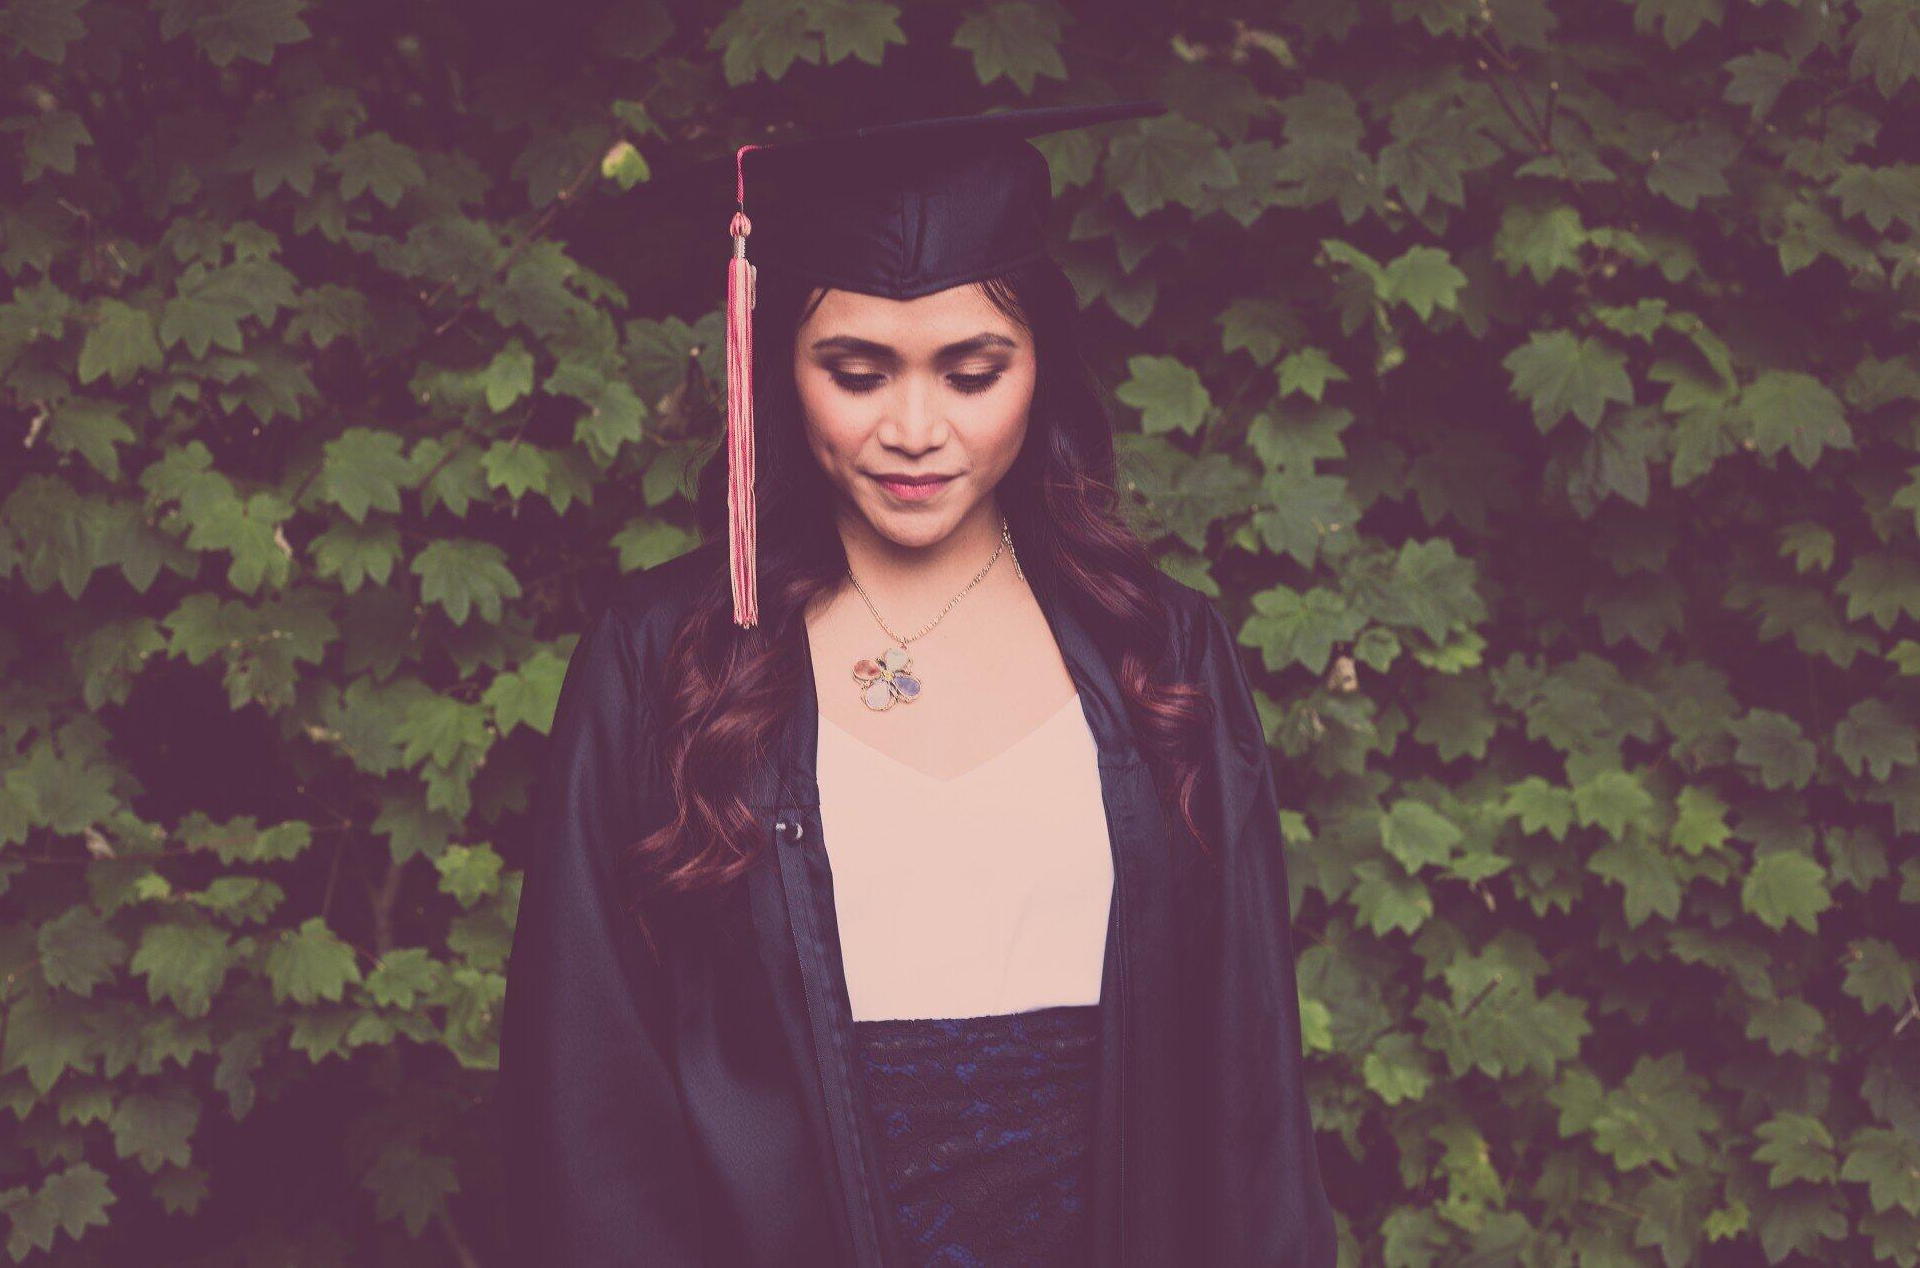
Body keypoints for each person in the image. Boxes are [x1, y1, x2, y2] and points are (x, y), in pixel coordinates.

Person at [499, 101, 1338, 1267]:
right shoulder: (665, 658)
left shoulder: (1160, 654)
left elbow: (1247, 1096)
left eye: (971, 372)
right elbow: (587, 1098)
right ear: (778, 369)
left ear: (1041, 368)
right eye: (854, 372)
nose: (912, 427)